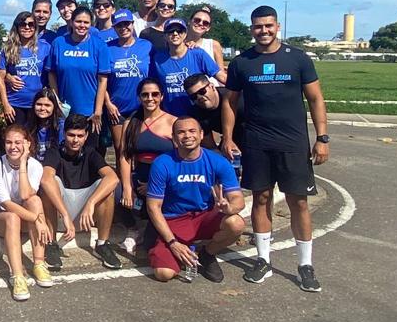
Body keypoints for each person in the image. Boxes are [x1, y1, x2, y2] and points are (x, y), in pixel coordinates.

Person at [221, 5, 329, 292]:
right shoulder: (243, 62)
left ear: (277, 27)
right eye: (258, 26)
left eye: (268, 26)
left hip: (292, 142)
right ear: (251, 29)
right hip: (257, 142)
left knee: (299, 203)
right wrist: (228, 137)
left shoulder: (298, 58)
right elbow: (230, 102)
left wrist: (322, 137)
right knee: (261, 198)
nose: (263, 31)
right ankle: (263, 260)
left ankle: (305, 265)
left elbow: (316, 99)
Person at [146, 116, 246, 282]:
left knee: (236, 223)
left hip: (204, 216)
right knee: (163, 274)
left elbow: (238, 200)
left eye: (192, 131)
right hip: (174, 219)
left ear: (201, 134)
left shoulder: (218, 162)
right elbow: (153, 207)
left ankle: (207, 254)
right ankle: (183, 251)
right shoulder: (162, 163)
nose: (187, 136)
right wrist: (173, 243)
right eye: (181, 132)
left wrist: (229, 208)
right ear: (174, 138)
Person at [39, 114, 121, 270]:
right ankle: (51, 244)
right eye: (71, 135)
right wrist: (65, 214)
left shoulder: (91, 153)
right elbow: (45, 180)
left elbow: (113, 178)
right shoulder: (54, 152)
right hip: (60, 216)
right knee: (50, 182)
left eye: (80, 136)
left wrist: (91, 203)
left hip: (85, 216)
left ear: (86, 136)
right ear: (64, 134)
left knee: (107, 188)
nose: (75, 140)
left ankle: (102, 244)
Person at [0, 125, 54, 300]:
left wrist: (23, 163)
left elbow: (25, 194)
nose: (13, 147)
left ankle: (38, 263)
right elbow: (6, 204)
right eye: (8, 142)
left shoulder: (35, 165)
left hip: (25, 216)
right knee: (13, 217)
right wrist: (38, 220)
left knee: (35, 200)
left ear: (27, 144)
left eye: (18, 142)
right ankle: (17, 275)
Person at [117, 78, 176, 253]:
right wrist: (128, 187)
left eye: (155, 94)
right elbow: (124, 157)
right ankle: (134, 228)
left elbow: (180, 159)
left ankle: (154, 230)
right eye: (145, 95)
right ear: (139, 97)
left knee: (150, 246)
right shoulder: (130, 122)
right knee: (115, 192)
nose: (150, 98)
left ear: (162, 96)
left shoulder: (173, 122)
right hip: (140, 173)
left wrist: (155, 185)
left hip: (165, 178)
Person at [47, 6, 110, 136]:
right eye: (78, 21)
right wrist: (57, 101)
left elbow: (103, 80)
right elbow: (51, 73)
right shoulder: (59, 43)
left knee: (89, 153)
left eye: (86, 22)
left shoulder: (99, 45)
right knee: (64, 150)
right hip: (65, 111)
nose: (82, 25)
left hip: (90, 112)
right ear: (72, 22)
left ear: (91, 24)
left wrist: (98, 111)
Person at [149, 18, 226, 117]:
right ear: (165, 36)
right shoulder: (158, 59)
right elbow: (152, 85)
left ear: (185, 34)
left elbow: (222, 77)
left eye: (179, 31)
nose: (175, 33)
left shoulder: (198, 54)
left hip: (199, 114)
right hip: (170, 115)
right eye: (170, 31)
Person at [105, 8, 152, 160]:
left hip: (140, 107)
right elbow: (101, 79)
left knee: (139, 148)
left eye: (127, 24)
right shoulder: (107, 48)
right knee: (121, 150)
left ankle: (138, 181)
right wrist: (108, 104)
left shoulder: (146, 46)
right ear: (114, 28)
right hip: (116, 108)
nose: (123, 28)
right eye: (119, 25)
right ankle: (123, 182)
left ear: (132, 24)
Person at [0, 11, 49, 126]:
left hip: (38, 104)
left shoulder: (45, 47)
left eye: (31, 24)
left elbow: (52, 75)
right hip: (15, 104)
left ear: (35, 27)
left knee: (34, 141)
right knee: (16, 141)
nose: (27, 27)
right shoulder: (8, 49)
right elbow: (0, 78)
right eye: (23, 24)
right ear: (17, 27)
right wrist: (6, 105)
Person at [184, 73, 243, 150]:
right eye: (193, 96)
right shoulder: (196, 113)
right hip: (228, 140)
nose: (199, 97)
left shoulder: (235, 99)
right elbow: (210, 146)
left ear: (212, 87)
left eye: (202, 91)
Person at [186, 5, 225, 85]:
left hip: (213, 89)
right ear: (190, 21)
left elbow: (221, 74)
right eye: (197, 20)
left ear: (208, 28)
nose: (200, 24)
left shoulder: (214, 44)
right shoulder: (179, 44)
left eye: (205, 23)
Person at [25, 88, 65, 162]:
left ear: (54, 107)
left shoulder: (60, 126)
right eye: (39, 104)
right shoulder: (28, 126)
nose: (42, 108)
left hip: (54, 166)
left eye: (47, 105)